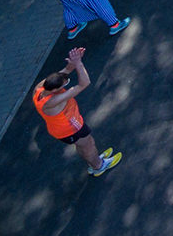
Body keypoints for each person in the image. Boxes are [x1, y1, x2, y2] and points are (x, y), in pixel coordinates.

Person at [33, 47, 121, 177]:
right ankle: (98, 166)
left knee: (83, 145)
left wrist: (72, 63)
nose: (67, 83)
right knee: (88, 144)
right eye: (65, 84)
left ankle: (93, 161)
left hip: (61, 127)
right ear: (55, 90)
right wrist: (79, 64)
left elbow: (65, 72)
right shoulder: (53, 101)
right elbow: (84, 84)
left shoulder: (40, 88)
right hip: (70, 127)